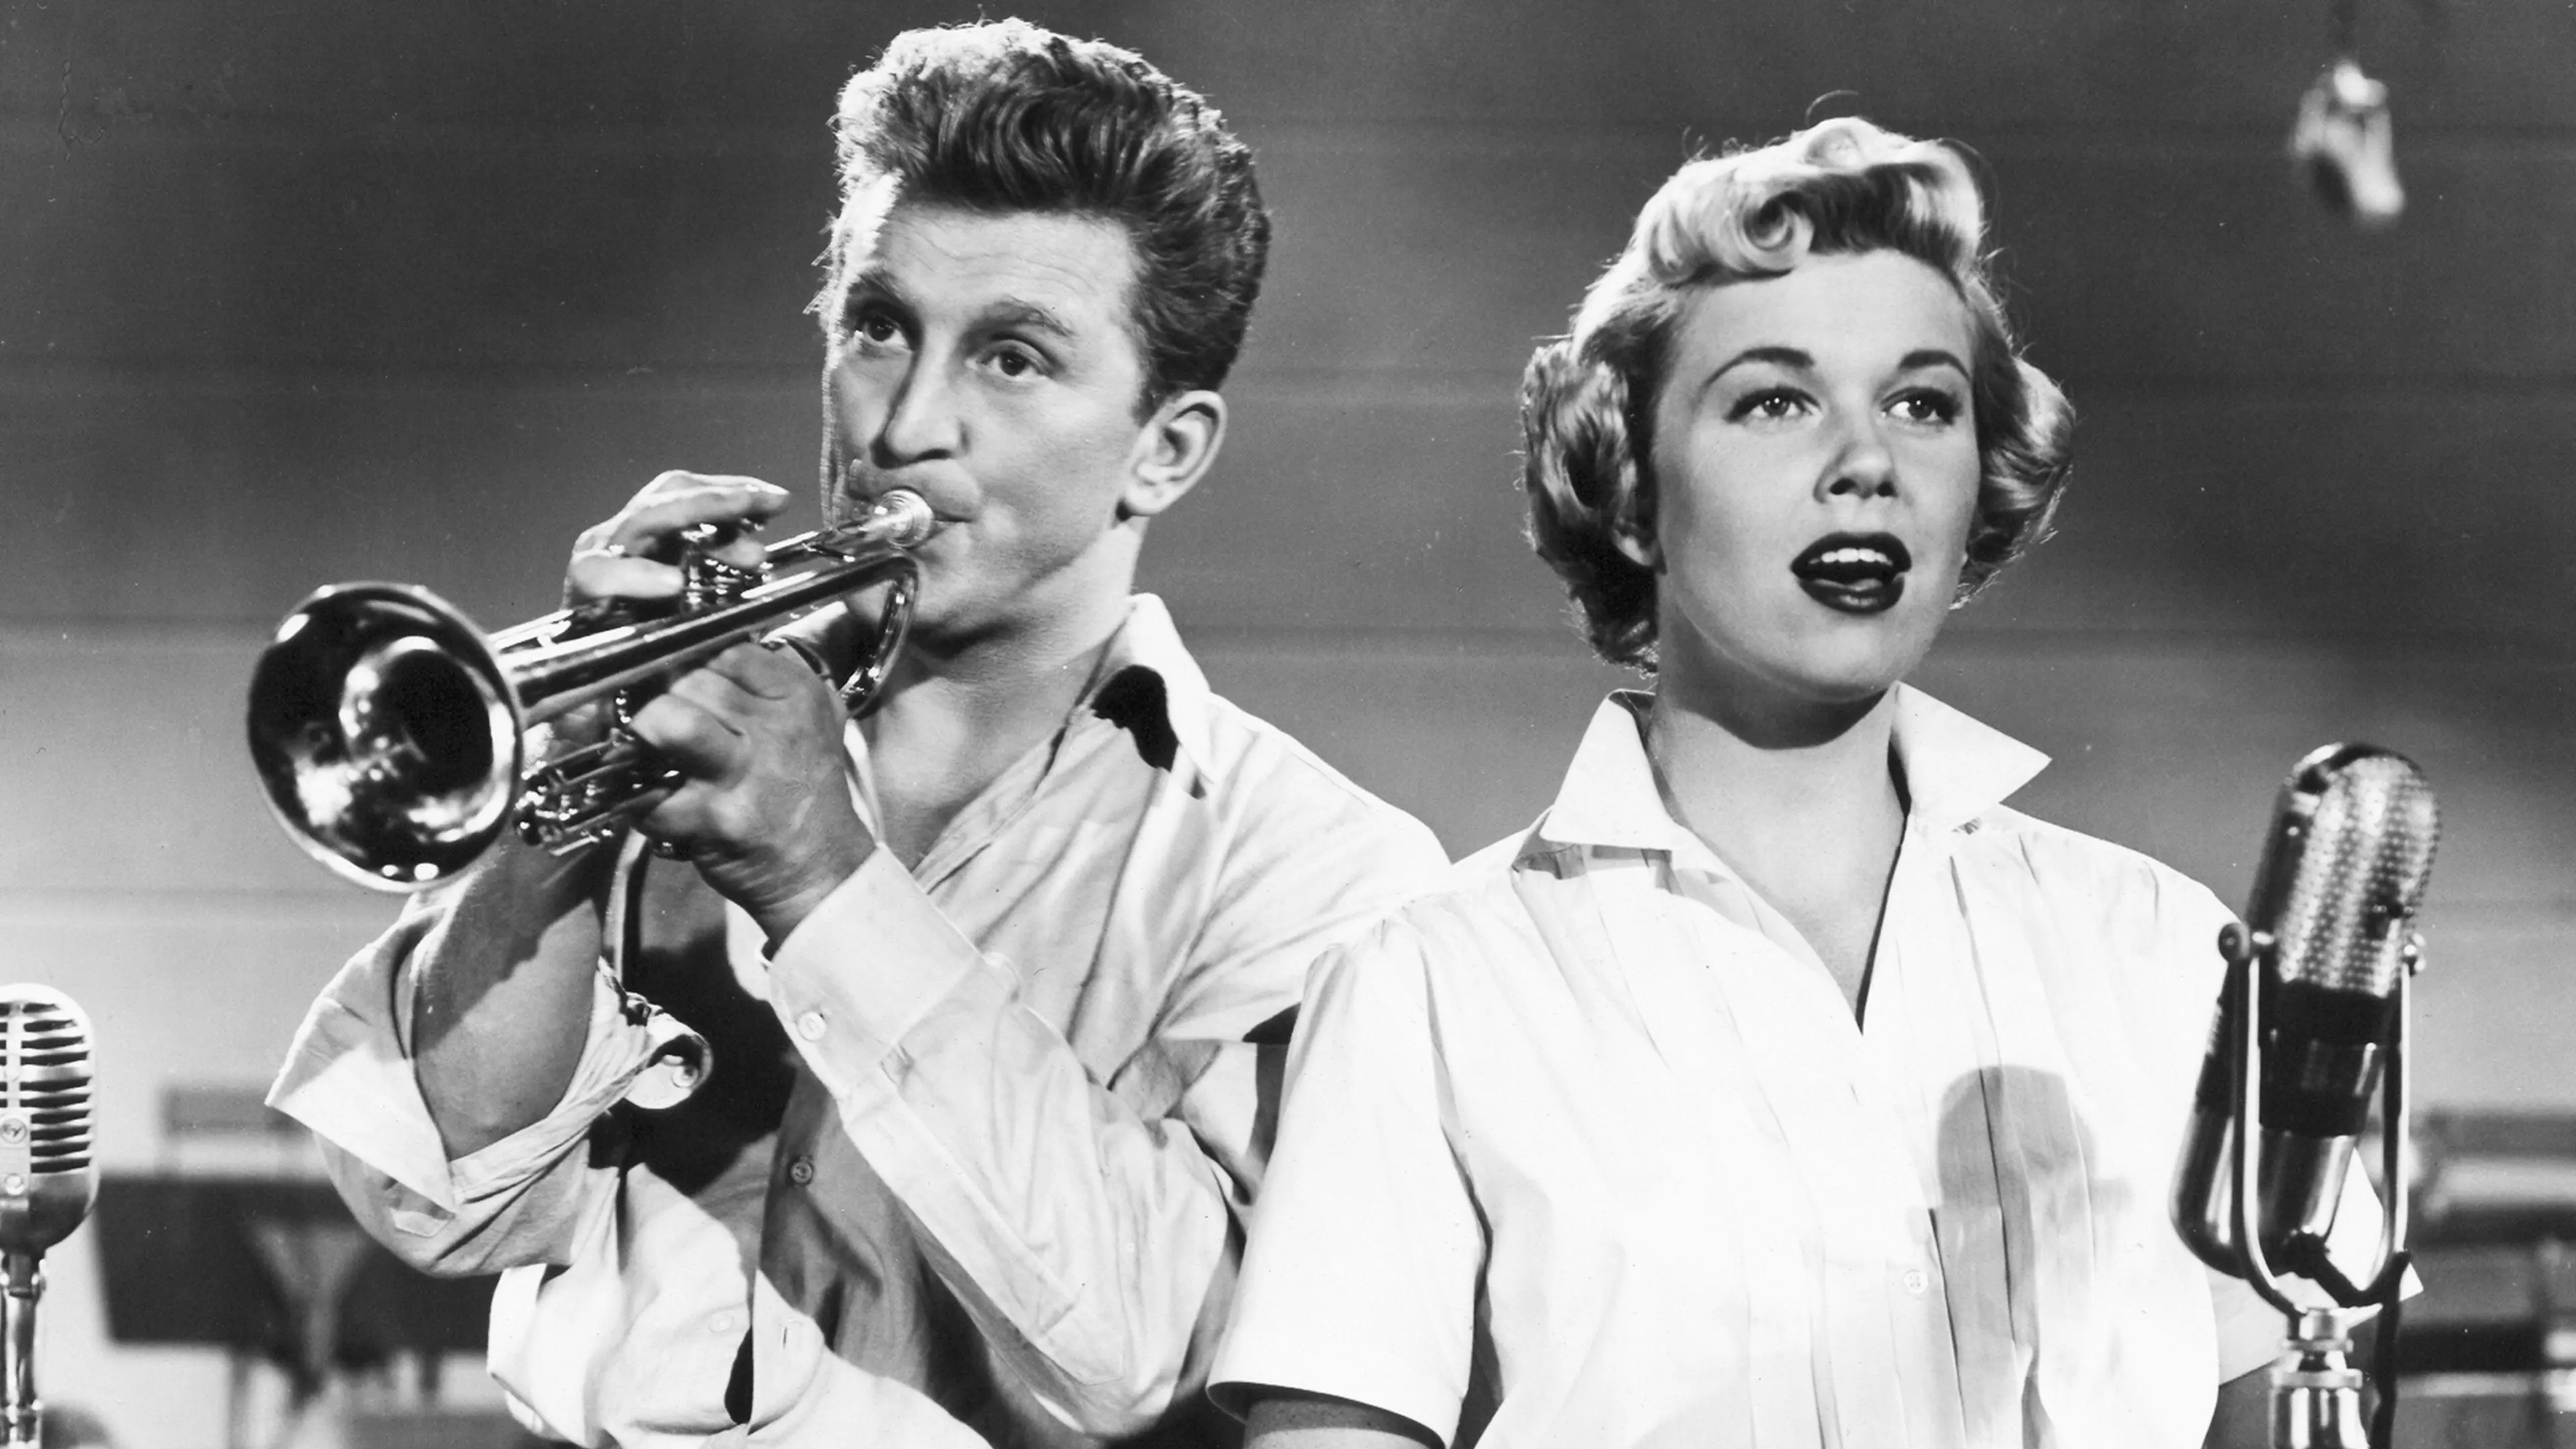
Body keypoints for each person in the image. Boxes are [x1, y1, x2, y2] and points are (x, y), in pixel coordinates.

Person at [268, 21, 1446, 1447]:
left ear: (1165, 450)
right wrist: (553, 812)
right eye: (881, 328)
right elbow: (439, 1200)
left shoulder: (1321, 874)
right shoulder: (683, 731)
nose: (906, 425)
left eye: (1011, 359)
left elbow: (1158, 1347)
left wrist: (823, 880)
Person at [1207, 118, 2385, 1448]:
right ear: (1632, 492)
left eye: (1923, 403)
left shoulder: (2161, 954)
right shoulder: (1429, 988)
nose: (1868, 461)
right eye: (1776, 400)